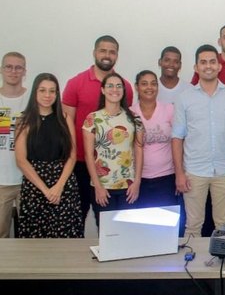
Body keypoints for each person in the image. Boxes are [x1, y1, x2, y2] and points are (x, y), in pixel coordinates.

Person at [63, 35, 134, 228]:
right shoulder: (75, 83)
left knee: (111, 224)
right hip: (79, 164)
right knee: (76, 217)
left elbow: (126, 124)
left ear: (117, 56)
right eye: (103, 50)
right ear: (94, 53)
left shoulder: (125, 86)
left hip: (113, 170)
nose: (107, 55)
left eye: (112, 51)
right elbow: (66, 124)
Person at [172, 44, 225, 238]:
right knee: (193, 225)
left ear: (219, 66)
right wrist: (179, 173)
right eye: (203, 62)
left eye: (212, 61)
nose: (208, 66)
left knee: (223, 226)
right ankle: (191, 266)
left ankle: (220, 266)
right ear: (196, 67)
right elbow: (177, 138)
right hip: (194, 172)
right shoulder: (183, 99)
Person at [14, 73, 83, 238]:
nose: (47, 95)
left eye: (52, 91)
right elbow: (21, 160)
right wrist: (46, 190)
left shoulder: (65, 118)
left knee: (65, 238)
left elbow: (72, 156)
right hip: (35, 187)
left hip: (63, 186)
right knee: (35, 241)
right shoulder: (23, 120)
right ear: (35, 92)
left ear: (57, 94)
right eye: (43, 90)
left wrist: (58, 187)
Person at [82, 73, 145, 220]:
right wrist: (97, 186)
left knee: (127, 231)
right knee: (106, 234)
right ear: (103, 90)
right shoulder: (93, 119)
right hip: (103, 187)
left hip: (128, 187)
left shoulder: (134, 119)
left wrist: (137, 182)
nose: (114, 89)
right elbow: (88, 155)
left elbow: (139, 149)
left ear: (123, 90)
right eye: (110, 85)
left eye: (118, 86)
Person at [130, 70, 177, 209]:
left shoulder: (169, 109)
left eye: (153, 84)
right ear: (136, 87)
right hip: (138, 180)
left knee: (167, 224)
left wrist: (181, 173)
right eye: (144, 84)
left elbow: (179, 142)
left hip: (167, 177)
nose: (149, 87)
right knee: (142, 225)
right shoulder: (129, 113)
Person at [0, 52, 29, 237]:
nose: (13, 71)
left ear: (24, 71)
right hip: (0, 181)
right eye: (9, 66)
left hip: (26, 180)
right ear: (2, 70)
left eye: (18, 67)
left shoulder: (33, 99)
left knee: (27, 236)